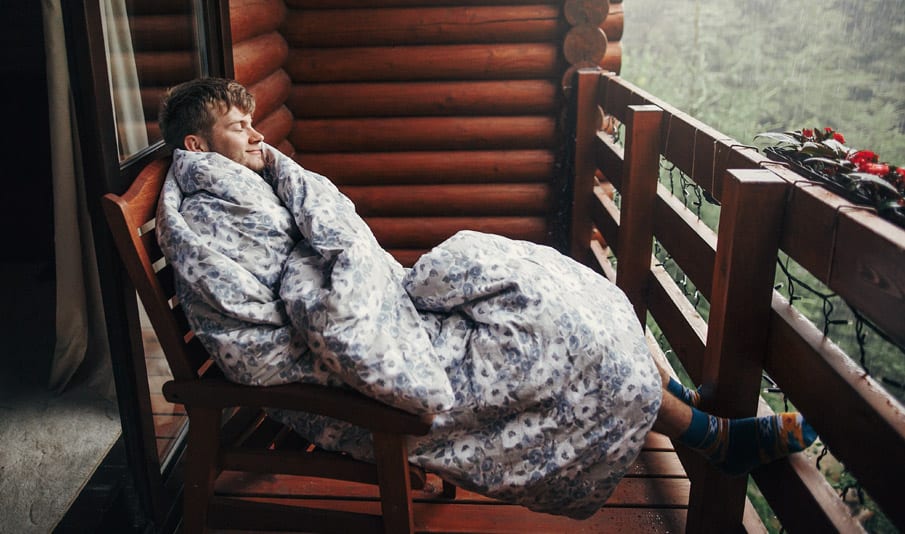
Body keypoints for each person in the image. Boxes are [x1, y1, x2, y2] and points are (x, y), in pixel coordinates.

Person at [156, 77, 816, 518]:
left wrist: (357, 265)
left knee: (551, 300)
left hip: (370, 319)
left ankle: (676, 409)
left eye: (252, 124)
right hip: (335, 370)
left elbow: (317, 256)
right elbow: (291, 311)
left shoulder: (224, 192)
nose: (257, 136)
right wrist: (359, 282)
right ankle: (709, 435)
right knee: (560, 341)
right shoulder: (217, 212)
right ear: (195, 146)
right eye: (239, 128)